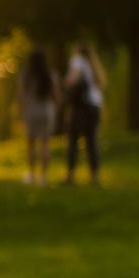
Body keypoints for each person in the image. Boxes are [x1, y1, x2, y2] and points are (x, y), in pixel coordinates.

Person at [63, 43, 105, 186]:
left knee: (73, 140)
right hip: (95, 106)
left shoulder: (77, 60)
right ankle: (94, 177)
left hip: (81, 106)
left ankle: (70, 175)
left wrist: (65, 83)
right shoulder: (94, 64)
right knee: (92, 141)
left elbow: (72, 79)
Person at [18, 50, 59, 185]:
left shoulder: (27, 76)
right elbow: (55, 96)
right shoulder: (50, 75)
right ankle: (44, 177)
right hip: (46, 111)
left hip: (31, 111)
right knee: (45, 144)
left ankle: (31, 174)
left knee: (31, 144)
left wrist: (20, 113)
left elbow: (22, 96)